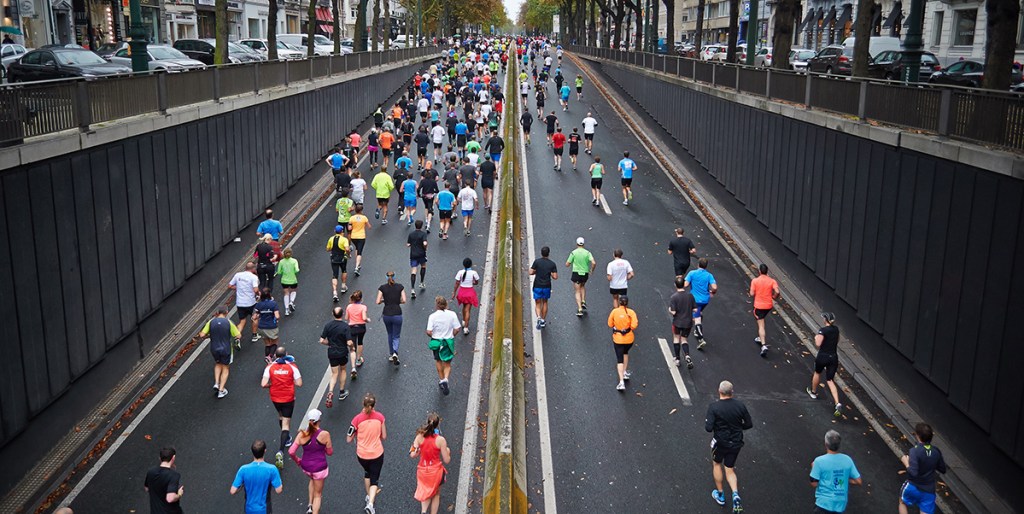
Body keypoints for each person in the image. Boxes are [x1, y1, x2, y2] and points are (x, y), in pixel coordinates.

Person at [705, 380, 752, 513]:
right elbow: (749, 424)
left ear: (719, 391)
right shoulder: (740, 406)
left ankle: (720, 495)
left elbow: (708, 428)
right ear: (732, 392)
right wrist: (738, 428)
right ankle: (735, 494)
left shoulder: (714, 407)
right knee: (730, 469)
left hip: (720, 442)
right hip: (736, 442)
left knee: (717, 464)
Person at [262, 346, 302, 469]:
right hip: (288, 398)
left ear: (275, 356)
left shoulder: (269, 367)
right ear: (286, 355)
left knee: (280, 416)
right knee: (286, 423)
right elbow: (299, 383)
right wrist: (289, 381)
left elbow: (263, 384)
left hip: (275, 397)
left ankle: (287, 438)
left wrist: (272, 384)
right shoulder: (292, 367)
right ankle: (280, 450)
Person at [289, 410, 333, 514]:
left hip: (306, 467)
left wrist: (298, 461)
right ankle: (314, 510)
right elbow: (330, 452)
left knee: (312, 480)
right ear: (319, 421)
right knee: (318, 494)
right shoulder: (325, 434)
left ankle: (310, 505)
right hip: (319, 468)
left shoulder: (302, 434)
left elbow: (291, 451)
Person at [349, 394, 387, 514]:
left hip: (362, 455)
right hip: (377, 454)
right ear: (374, 405)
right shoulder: (380, 417)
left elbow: (348, 438)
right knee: (374, 480)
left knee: (367, 473)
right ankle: (370, 504)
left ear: (363, 405)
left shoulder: (356, 420)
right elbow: (384, 436)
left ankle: (368, 497)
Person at [809, 430, 862, 513]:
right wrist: (844, 478)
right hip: (840, 504)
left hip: (823, 503)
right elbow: (858, 481)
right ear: (839, 445)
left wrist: (813, 468)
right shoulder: (847, 460)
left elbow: (814, 483)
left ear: (826, 444)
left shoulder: (819, 461)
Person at [899, 422, 947, 514]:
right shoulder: (936, 451)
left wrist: (906, 462)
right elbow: (942, 469)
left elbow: (913, 473)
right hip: (929, 490)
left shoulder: (914, 451)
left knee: (902, 502)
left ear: (918, 436)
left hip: (913, 487)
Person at [410, 413, 452, 514]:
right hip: (436, 472)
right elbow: (447, 460)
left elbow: (412, 454)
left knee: (425, 490)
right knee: (436, 493)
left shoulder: (419, 437)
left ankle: (424, 511)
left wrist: (417, 449)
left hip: (423, 471)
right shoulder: (440, 440)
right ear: (437, 425)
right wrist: (448, 451)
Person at [806, 312, 844, 417]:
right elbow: (838, 340)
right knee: (830, 380)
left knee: (817, 373)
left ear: (825, 320)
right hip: (833, 357)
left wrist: (816, 337)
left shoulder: (823, 330)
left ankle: (813, 392)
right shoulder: (836, 329)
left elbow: (818, 344)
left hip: (823, 356)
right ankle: (837, 403)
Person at [230, 440, 283, 514]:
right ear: (265, 451)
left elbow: (233, 491)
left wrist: (242, 485)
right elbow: (279, 490)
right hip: (264, 509)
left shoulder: (243, 469)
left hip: (249, 509)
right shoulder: (272, 469)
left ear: (252, 452)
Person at [198, 307, 240, 399]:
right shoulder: (229, 322)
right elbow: (238, 335)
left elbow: (202, 335)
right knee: (225, 368)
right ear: (227, 312)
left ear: (217, 313)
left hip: (214, 348)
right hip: (226, 349)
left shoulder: (211, 322)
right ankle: (221, 390)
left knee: (218, 363)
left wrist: (210, 335)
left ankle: (216, 383)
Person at [426, 296, 461, 395]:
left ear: (436, 305)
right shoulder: (452, 314)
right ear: (446, 304)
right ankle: (446, 379)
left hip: (437, 341)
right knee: (447, 363)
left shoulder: (432, 316)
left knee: (438, 360)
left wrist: (433, 336)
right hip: (448, 341)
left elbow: (428, 331)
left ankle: (441, 380)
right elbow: (457, 328)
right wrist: (451, 335)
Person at [320, 306, 354, 408]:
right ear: (342, 314)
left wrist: (329, 343)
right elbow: (349, 342)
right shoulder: (345, 326)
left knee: (334, 373)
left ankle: (330, 391)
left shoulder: (328, 325)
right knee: (343, 370)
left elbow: (321, 340)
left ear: (333, 314)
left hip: (332, 352)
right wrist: (352, 348)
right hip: (342, 352)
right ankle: (342, 392)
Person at [684, 258, 718, 350]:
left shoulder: (692, 273)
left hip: (694, 299)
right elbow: (714, 287)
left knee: (697, 318)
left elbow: (685, 285)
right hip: (705, 300)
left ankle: (700, 338)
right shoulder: (709, 275)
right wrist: (712, 292)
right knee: (699, 313)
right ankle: (697, 329)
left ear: (698, 264)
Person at [607, 295, 639, 391]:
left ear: (620, 302)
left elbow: (610, 324)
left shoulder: (614, 311)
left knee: (619, 359)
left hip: (618, 339)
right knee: (625, 353)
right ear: (627, 303)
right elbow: (634, 325)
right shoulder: (631, 312)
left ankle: (621, 382)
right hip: (629, 339)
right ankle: (625, 372)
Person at [749, 263, 780, 357]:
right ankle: (760, 338)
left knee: (761, 325)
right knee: (762, 320)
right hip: (768, 306)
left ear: (759, 271)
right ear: (767, 271)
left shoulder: (755, 281)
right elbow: (777, 291)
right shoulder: (772, 281)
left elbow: (751, 294)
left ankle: (763, 345)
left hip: (758, 306)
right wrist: (774, 296)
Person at [377, 271, 407, 365]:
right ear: (394, 276)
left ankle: (391, 354)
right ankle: (395, 352)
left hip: (386, 314)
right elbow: (404, 300)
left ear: (386, 277)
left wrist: (385, 300)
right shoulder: (400, 287)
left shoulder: (382, 288)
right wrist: (396, 301)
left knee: (390, 333)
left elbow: (378, 301)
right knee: (396, 335)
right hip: (397, 313)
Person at [669, 277, 698, 369]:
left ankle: (677, 359)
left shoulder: (674, 297)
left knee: (676, 338)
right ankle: (687, 355)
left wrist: (670, 309)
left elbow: (673, 312)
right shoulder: (690, 296)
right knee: (684, 339)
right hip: (688, 323)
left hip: (677, 322)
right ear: (684, 284)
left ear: (675, 285)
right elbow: (695, 309)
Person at [229, 262, 261, 343]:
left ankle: (237, 337)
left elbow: (230, 286)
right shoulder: (253, 277)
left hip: (240, 303)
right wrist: (258, 294)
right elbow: (255, 290)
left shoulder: (237, 275)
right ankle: (254, 335)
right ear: (253, 269)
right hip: (251, 302)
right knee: (255, 317)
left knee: (242, 321)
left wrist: (238, 288)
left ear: (245, 268)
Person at [145, 447, 184, 514]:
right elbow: (170, 498)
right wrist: (179, 494)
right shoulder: (173, 475)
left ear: (160, 458)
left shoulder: (151, 472)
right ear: (173, 457)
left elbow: (147, 488)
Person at [565, 237, 596, 317]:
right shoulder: (587, 253)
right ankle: (583, 300)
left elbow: (567, 264)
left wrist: (571, 263)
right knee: (582, 286)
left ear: (577, 243)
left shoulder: (573, 253)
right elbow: (593, 262)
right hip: (585, 273)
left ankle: (579, 309)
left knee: (577, 291)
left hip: (576, 273)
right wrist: (591, 270)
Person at [529, 246, 558, 330]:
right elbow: (555, 277)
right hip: (546, 286)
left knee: (538, 303)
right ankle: (543, 319)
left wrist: (535, 271)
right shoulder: (552, 264)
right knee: (545, 302)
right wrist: (551, 273)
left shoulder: (537, 262)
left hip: (537, 285)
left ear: (541, 253)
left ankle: (538, 318)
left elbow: (530, 272)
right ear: (548, 253)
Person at [452, 258, 480, 335]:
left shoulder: (460, 272)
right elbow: (476, 282)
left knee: (464, 307)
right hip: (470, 292)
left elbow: (457, 283)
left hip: (462, 292)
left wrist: (454, 292)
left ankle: (464, 321)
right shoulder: (474, 273)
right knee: (468, 309)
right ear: (471, 264)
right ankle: (466, 328)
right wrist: (472, 283)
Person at [252, 288, 281, 363]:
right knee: (274, 342)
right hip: (271, 326)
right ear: (269, 295)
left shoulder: (259, 305)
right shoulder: (273, 304)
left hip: (261, 327)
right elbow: (277, 316)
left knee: (267, 343)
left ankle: (267, 357)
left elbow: (254, 317)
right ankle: (270, 357)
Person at [346, 290, 369, 371]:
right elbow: (364, 318)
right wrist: (368, 320)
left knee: (353, 345)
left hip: (352, 327)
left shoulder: (349, 307)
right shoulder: (363, 307)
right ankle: (359, 360)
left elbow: (346, 318)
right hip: (361, 327)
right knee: (360, 342)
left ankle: (353, 366)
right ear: (361, 299)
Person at [327, 226, 351, 302]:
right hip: (342, 258)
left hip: (334, 258)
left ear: (335, 231)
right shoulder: (344, 239)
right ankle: (343, 286)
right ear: (342, 231)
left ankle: (335, 292)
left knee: (335, 275)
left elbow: (328, 249)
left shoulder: (331, 239)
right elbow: (347, 249)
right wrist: (348, 253)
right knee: (344, 270)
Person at [408, 220, 429, 298]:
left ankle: (412, 289)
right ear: (421, 226)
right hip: (421, 254)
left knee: (414, 270)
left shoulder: (411, 234)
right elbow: (425, 243)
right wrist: (425, 248)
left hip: (413, 254)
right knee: (423, 266)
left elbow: (408, 244)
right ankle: (421, 282)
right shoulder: (423, 234)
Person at [348, 204, 371, 276]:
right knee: (359, 252)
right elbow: (369, 226)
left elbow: (349, 228)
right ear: (361, 210)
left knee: (357, 249)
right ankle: (356, 267)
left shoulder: (352, 218)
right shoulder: (364, 218)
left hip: (353, 236)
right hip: (361, 236)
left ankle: (358, 263)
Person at [276, 248, 300, 316]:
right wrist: (293, 272)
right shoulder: (294, 261)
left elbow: (279, 272)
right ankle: (291, 302)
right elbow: (297, 270)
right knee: (293, 291)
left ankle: (286, 309)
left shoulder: (281, 262)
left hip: (284, 280)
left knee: (286, 293)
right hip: (293, 279)